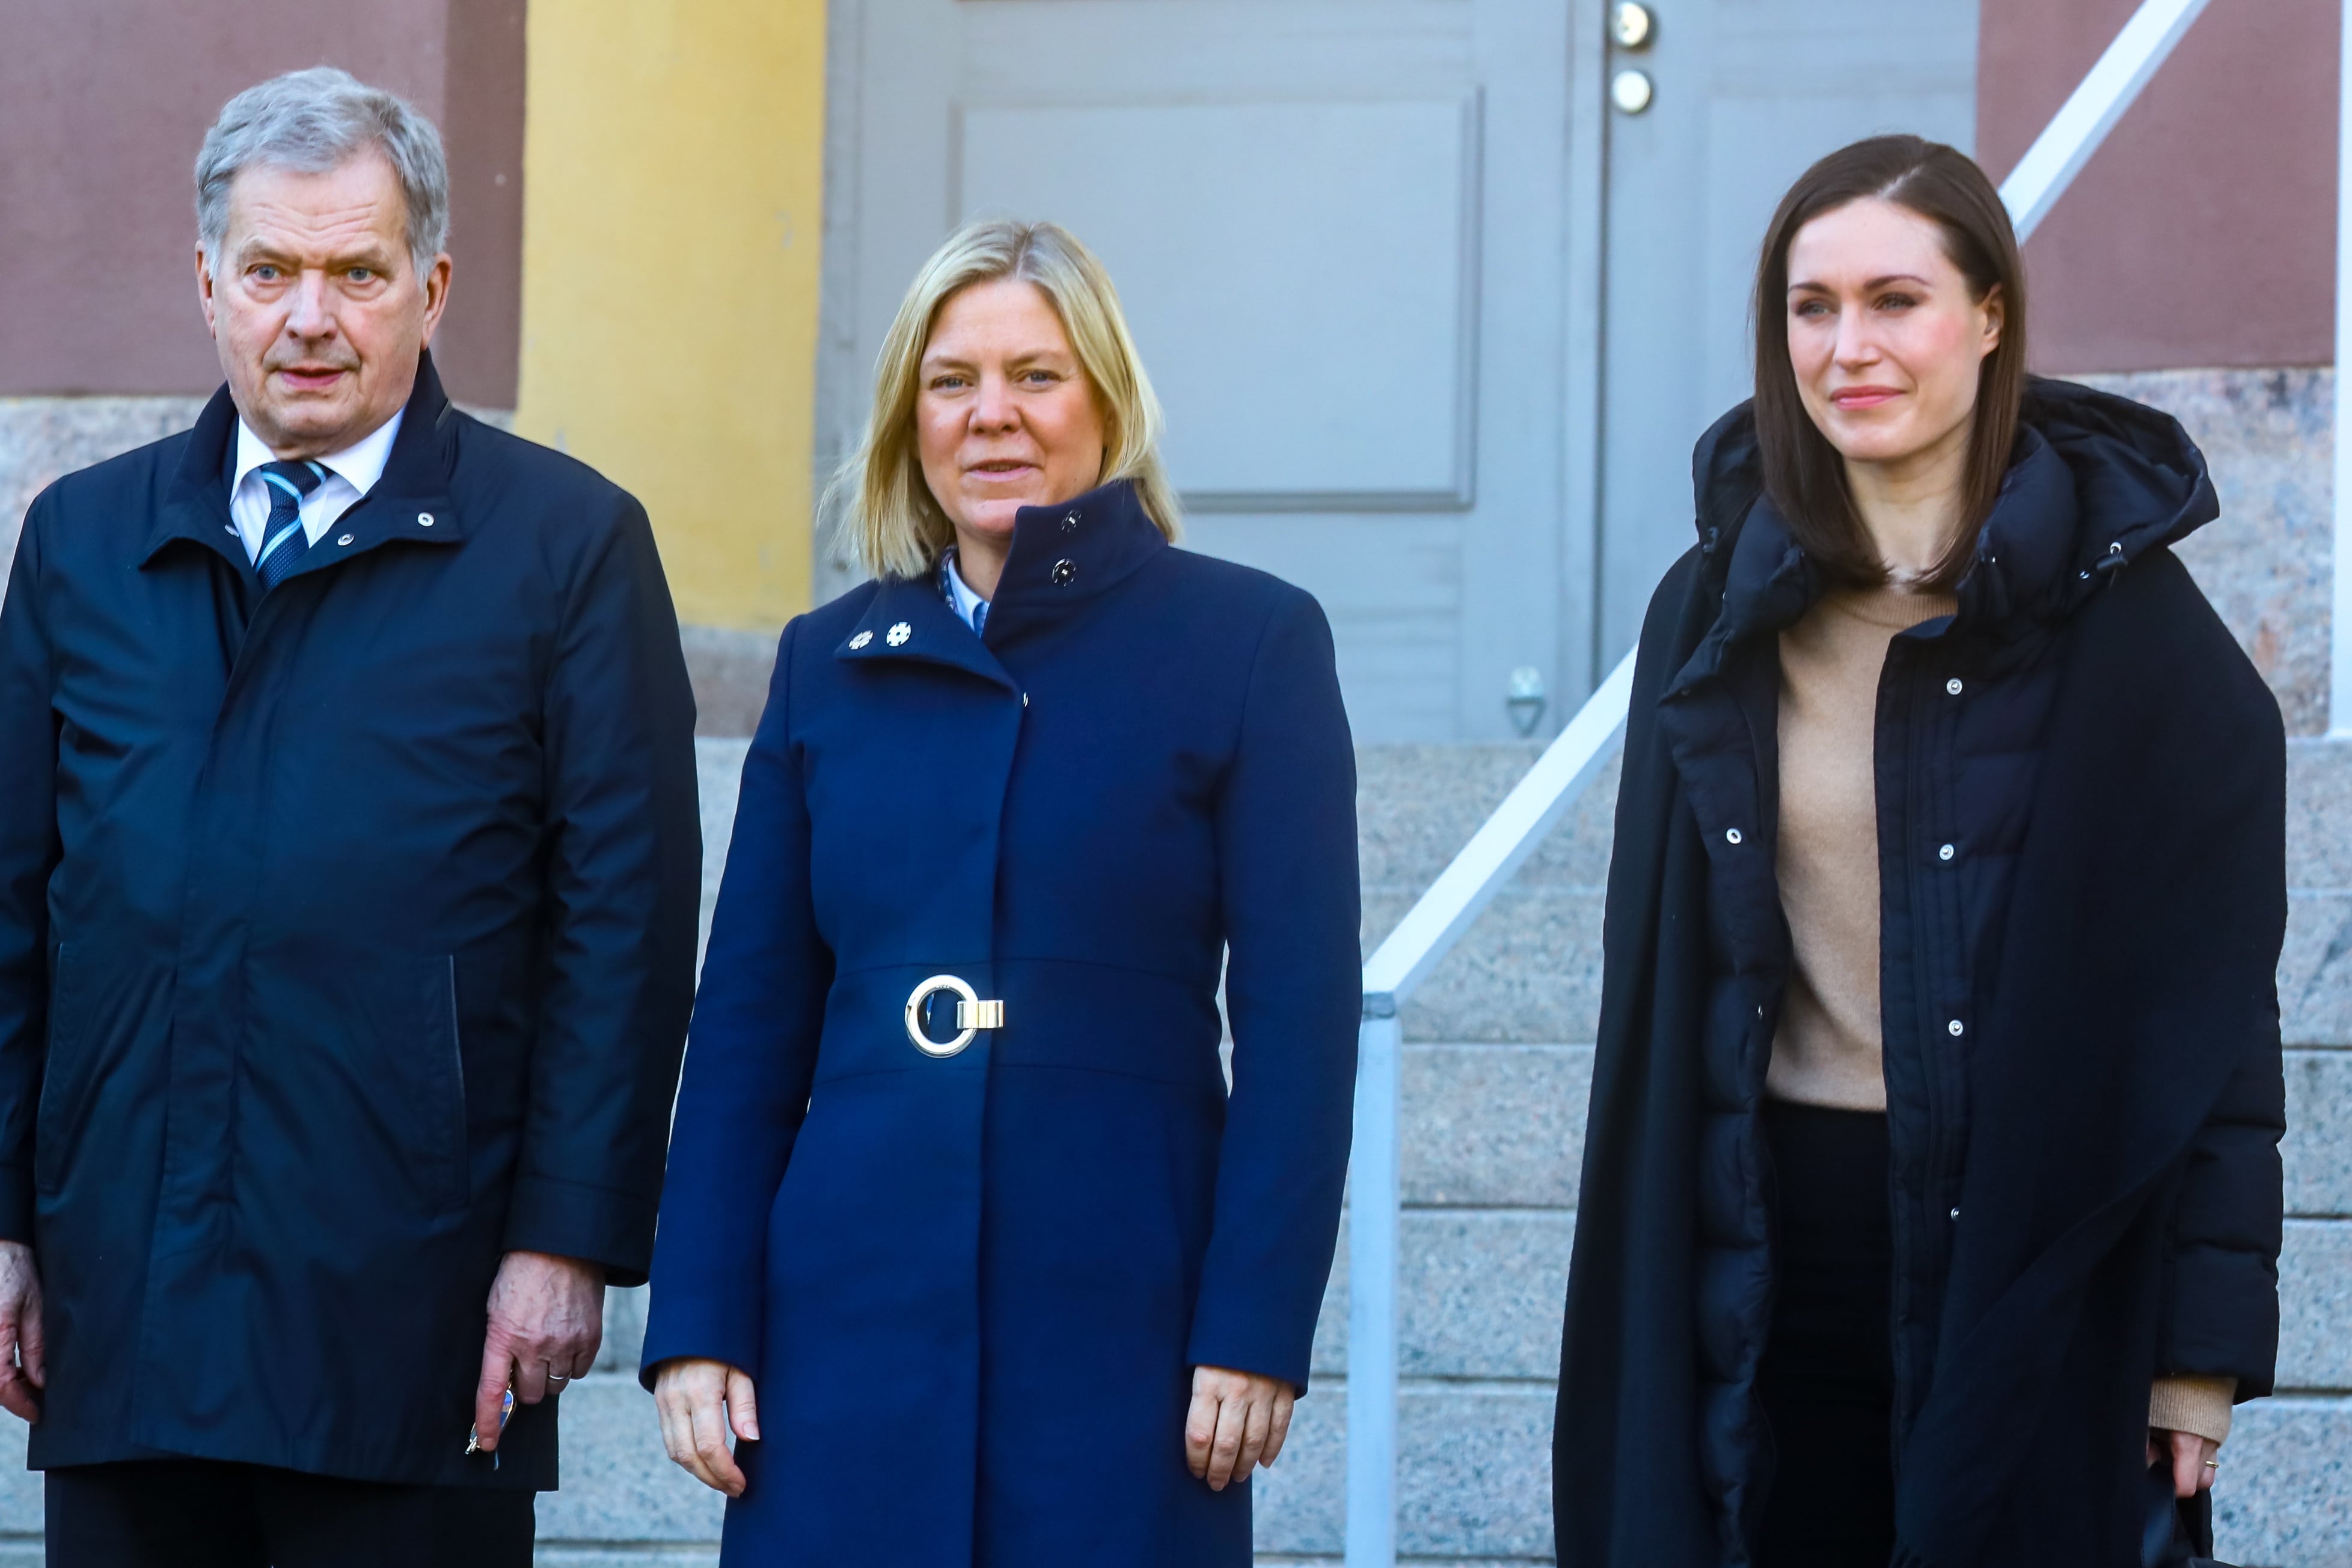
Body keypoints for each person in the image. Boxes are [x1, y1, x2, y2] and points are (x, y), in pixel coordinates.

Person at [0, 68, 702, 1565]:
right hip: (123, 1309)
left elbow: (623, 931)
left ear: (431, 284)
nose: (308, 316)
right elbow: (11, 908)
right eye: (269, 272)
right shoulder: (81, 543)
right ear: (207, 284)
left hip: (421, 1329)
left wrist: (564, 1241)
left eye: (355, 272)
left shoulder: (568, 546)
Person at [1552, 135, 2285, 1568]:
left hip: (2036, 1259)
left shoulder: (2140, 642)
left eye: (1896, 299)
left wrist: (2199, 1351)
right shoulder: (1708, 616)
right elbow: (1655, 1002)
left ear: (1991, 314)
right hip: (1762, 1249)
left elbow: (2213, 1030)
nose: (1849, 346)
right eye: (1811, 307)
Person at [640, 218, 1361, 1566]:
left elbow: (1299, 1028)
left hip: (1123, 1319)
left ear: (1108, 397)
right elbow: (744, 1023)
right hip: (842, 1322)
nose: (993, 417)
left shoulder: (1250, 640)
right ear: (910, 414)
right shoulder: (825, 662)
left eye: (1037, 375)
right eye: (952, 380)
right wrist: (697, 1318)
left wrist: (1255, 1325)